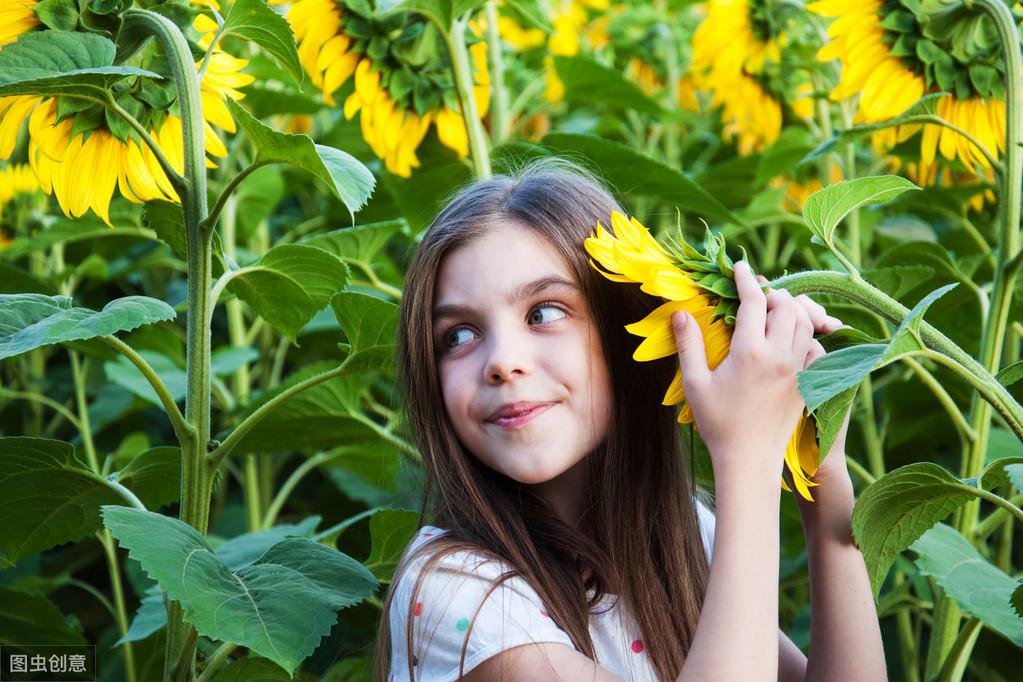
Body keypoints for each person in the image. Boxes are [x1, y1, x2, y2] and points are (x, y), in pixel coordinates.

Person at [373, 158, 886, 681]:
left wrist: (821, 478)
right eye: (458, 335)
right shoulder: (457, 595)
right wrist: (747, 455)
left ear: (627, 331)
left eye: (543, 313)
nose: (503, 361)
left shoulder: (683, 536)